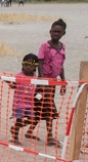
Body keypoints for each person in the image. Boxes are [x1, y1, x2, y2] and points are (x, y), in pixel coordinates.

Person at [27, 19, 67, 147]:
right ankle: (49, 136)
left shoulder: (62, 47)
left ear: (63, 33)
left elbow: (60, 65)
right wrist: (43, 80)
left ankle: (28, 131)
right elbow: (40, 62)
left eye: (59, 32)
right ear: (50, 32)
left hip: (53, 83)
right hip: (43, 83)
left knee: (41, 108)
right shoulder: (45, 46)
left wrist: (63, 81)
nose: (56, 33)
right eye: (54, 31)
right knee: (48, 108)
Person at [9, 54, 39, 145]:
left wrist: (39, 94)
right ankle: (15, 138)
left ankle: (14, 128)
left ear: (35, 67)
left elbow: (36, 88)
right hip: (19, 103)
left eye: (31, 65)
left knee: (33, 120)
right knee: (19, 119)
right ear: (22, 65)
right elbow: (12, 85)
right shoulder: (19, 75)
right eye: (26, 65)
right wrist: (10, 83)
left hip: (30, 103)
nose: (28, 67)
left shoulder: (35, 77)